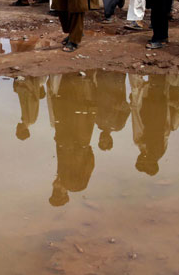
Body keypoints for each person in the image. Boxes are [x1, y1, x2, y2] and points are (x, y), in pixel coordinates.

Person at [46, 73, 97, 207]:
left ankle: (79, 79)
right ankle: (78, 79)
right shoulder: (72, 183)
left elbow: (90, 163)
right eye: (56, 191)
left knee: (76, 107)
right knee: (75, 107)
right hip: (73, 139)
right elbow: (75, 159)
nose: (54, 187)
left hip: (77, 140)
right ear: (62, 192)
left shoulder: (74, 184)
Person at [129, 74, 179, 176]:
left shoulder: (141, 144)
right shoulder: (154, 147)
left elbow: (137, 119)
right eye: (143, 161)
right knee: (159, 77)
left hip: (151, 105)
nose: (141, 158)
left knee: (156, 77)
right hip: (158, 104)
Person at [95, 71, 130, 151]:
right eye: (105, 141)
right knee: (117, 70)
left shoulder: (97, 122)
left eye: (100, 141)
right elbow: (127, 109)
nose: (102, 139)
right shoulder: (118, 126)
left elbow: (95, 103)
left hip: (102, 86)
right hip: (116, 90)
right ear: (110, 139)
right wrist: (119, 107)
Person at [13, 75, 47, 140]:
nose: (16, 128)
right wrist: (24, 84)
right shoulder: (31, 120)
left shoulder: (25, 120)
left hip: (25, 85)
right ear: (23, 130)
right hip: (29, 85)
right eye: (17, 130)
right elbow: (33, 100)